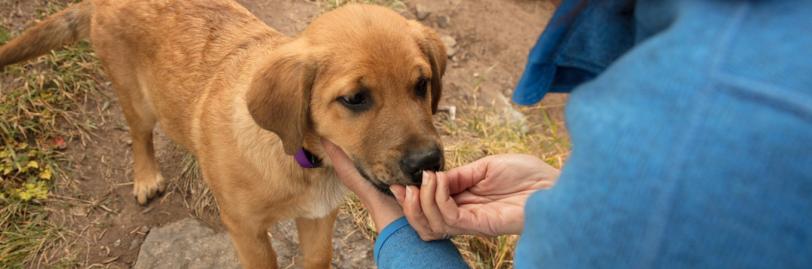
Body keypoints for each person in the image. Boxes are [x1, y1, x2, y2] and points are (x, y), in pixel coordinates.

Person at [323, 0, 812, 268]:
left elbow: (669, 209)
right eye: (357, 99)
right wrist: (564, 193)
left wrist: (394, 228)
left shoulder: (686, 136)